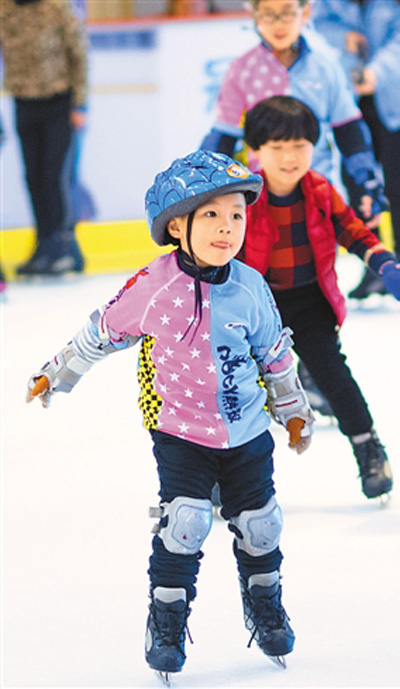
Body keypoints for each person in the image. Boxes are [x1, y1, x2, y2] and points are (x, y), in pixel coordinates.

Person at [26, 150, 315, 680]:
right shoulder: (153, 285)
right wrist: (56, 372)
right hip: (180, 431)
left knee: (261, 525)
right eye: (212, 215)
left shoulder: (250, 287)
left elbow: (276, 356)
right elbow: (102, 332)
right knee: (185, 522)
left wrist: (293, 411)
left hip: (247, 430)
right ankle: (167, 620)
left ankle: (265, 605)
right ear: (176, 226)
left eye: (236, 215)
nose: (227, 228)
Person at [200, 0, 387, 417]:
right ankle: (263, 373)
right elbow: (223, 136)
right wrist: (202, 190)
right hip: (259, 200)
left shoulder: (325, 65)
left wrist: (365, 182)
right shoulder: (242, 70)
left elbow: (349, 129)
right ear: (253, 16)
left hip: (316, 197)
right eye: (268, 14)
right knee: (262, 282)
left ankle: (314, 372)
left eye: (287, 12)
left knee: (315, 283)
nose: (278, 23)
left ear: (306, 12)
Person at [242, 95, 400, 501]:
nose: (290, 157)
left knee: (334, 377)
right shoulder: (242, 197)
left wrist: (385, 264)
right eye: (278, 147)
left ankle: (368, 448)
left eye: (299, 146)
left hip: (310, 302)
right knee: (240, 390)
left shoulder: (319, 190)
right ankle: (228, 472)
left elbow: (354, 232)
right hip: (257, 311)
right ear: (256, 149)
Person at [312, 0, 400, 298]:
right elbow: (320, 21)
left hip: (393, 100)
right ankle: (375, 267)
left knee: (397, 185)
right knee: (357, 184)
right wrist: (342, 37)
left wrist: (377, 73)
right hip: (351, 102)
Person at [0, 0, 88, 277]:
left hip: (58, 101)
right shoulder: (5, 9)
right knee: (33, 177)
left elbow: (78, 52)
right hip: (23, 100)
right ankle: (44, 245)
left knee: (54, 177)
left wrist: (80, 103)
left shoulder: (57, 7)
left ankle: (63, 246)